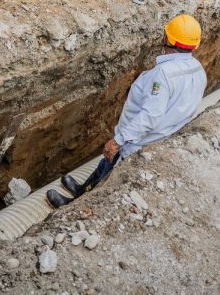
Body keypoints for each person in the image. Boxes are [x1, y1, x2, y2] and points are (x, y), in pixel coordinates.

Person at [46, 14, 208, 208]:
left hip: (137, 142)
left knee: (107, 176)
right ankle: (81, 189)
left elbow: (150, 116)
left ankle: (71, 206)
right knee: (105, 164)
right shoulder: (198, 70)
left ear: (168, 38)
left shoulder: (163, 75)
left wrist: (118, 140)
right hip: (156, 138)